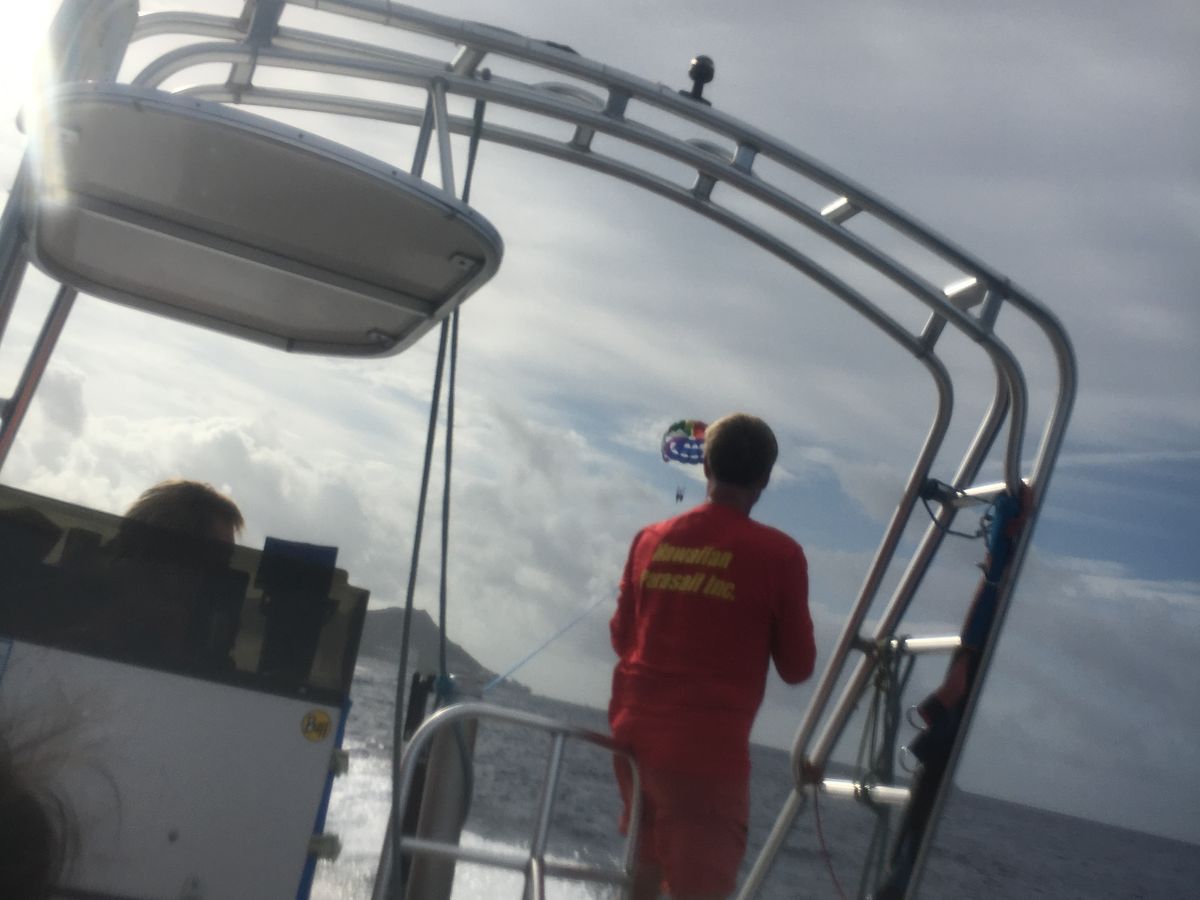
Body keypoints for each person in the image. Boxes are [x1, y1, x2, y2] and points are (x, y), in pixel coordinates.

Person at [609, 413, 816, 900]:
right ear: (765, 479)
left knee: (644, 870)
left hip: (634, 742)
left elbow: (622, 638)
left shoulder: (648, 539)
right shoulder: (781, 555)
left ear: (705, 467)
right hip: (704, 758)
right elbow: (797, 667)